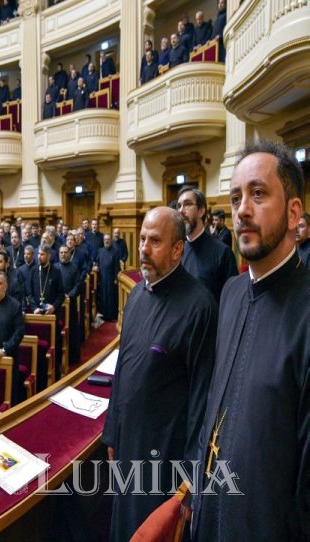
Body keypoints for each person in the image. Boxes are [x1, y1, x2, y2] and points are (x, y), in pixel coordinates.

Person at [189, 142, 310, 540]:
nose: (242, 210)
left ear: (294, 213)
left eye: (258, 194)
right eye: (236, 197)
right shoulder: (231, 293)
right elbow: (216, 403)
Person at [102, 207, 217, 542]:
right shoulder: (137, 294)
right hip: (127, 444)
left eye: (154, 241)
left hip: (164, 456)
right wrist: (112, 430)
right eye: (141, 239)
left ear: (177, 249)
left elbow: (203, 400)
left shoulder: (200, 306)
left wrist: (190, 481)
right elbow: (123, 368)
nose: (143, 248)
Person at [177, 187, 236, 298]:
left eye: (187, 204)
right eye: (179, 206)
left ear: (201, 211)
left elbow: (231, 300)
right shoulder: (177, 249)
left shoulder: (222, 253)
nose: (181, 210)